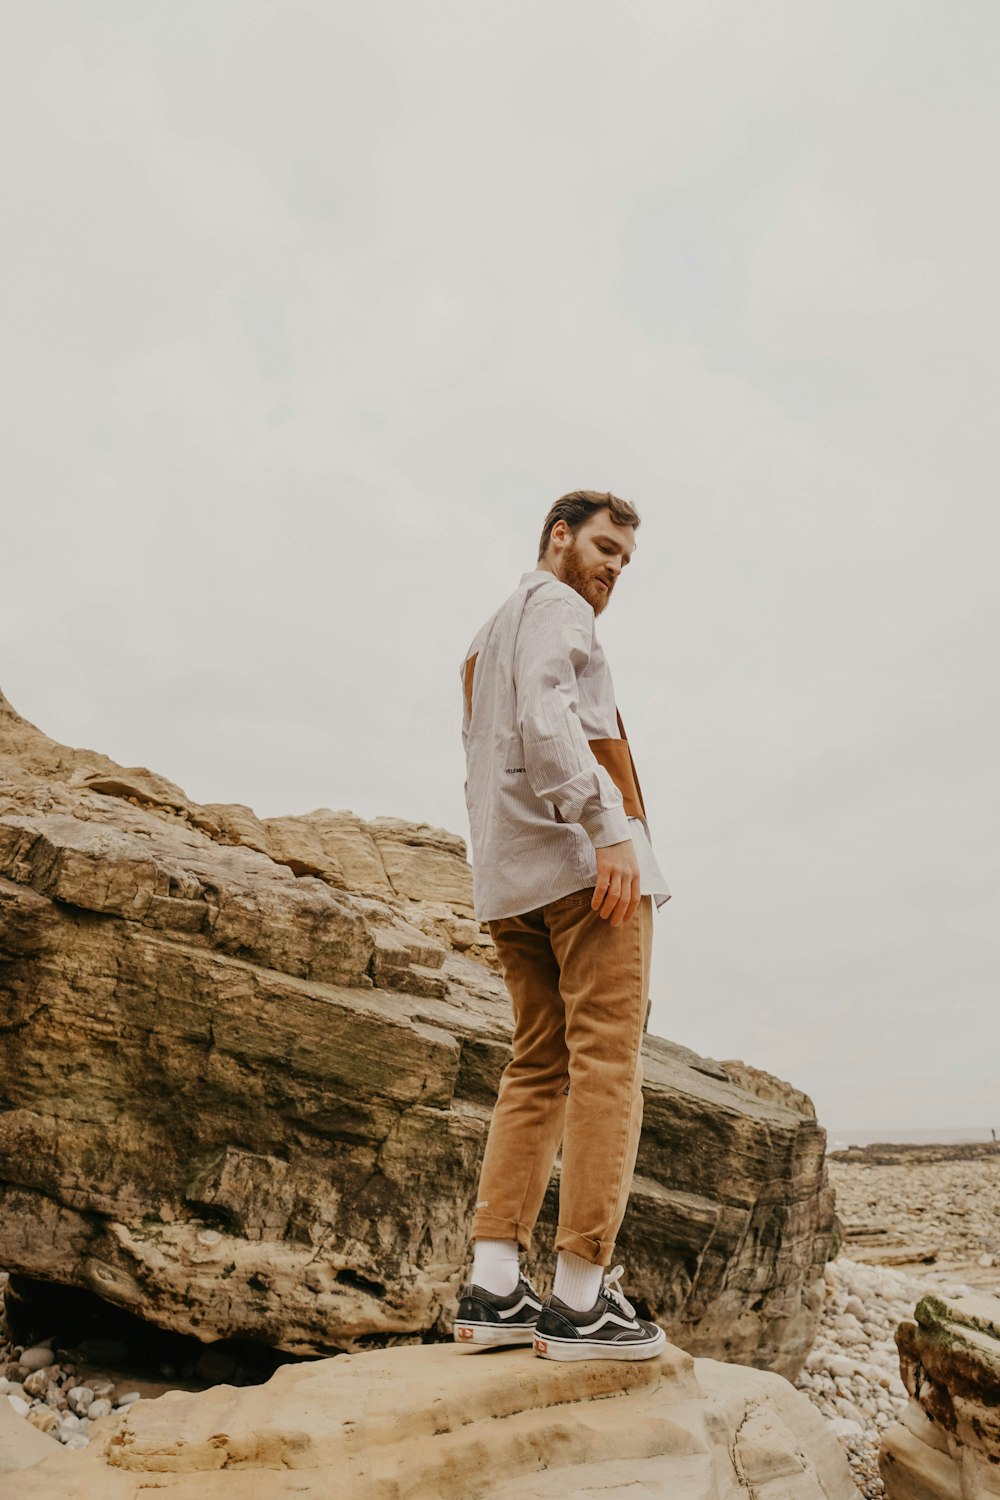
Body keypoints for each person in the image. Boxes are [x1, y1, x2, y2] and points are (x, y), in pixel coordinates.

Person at [452, 490, 671, 1361]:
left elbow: (490, 756)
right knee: (608, 1063)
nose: (614, 566)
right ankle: (583, 1300)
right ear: (558, 537)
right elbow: (550, 721)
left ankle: (495, 1282)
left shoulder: (482, 639)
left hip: (511, 881)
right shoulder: (559, 609)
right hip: (585, 873)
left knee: (537, 1064)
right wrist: (609, 830)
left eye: (625, 557)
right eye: (605, 545)